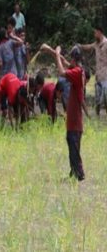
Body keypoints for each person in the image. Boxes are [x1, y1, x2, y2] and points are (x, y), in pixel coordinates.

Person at [52, 46, 88, 181]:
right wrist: (56, 54)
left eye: (70, 58)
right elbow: (67, 65)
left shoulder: (78, 72)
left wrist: (56, 54)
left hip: (75, 119)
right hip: (73, 118)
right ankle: (74, 172)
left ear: (74, 59)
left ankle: (79, 173)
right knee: (71, 143)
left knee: (74, 146)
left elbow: (62, 71)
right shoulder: (78, 70)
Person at [77, 26, 107, 115]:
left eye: (95, 33)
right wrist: (80, 46)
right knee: (97, 101)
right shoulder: (96, 44)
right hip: (98, 76)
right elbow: (89, 47)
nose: (94, 35)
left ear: (100, 33)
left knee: (105, 98)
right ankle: (97, 118)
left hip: (106, 75)